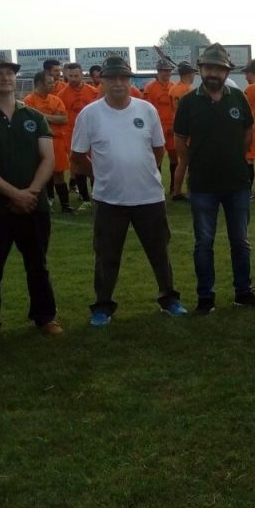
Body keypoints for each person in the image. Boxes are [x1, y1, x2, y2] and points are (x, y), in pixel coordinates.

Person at [71, 55, 187, 325]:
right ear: (102, 81)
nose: (118, 84)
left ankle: (169, 298)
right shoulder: (90, 114)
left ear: (130, 80)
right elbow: (77, 156)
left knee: (159, 252)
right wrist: (100, 175)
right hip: (109, 199)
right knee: (106, 256)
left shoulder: (146, 110)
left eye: (123, 78)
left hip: (149, 197)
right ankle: (102, 306)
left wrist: (141, 170)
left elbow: (158, 149)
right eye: (112, 78)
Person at [0, 54, 62, 343]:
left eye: (9, 72)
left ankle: (45, 316)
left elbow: (48, 159)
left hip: (33, 206)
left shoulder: (34, 116)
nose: (6, 77)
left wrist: (31, 192)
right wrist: (14, 194)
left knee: (38, 265)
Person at [173, 43, 255, 315]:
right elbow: (179, 139)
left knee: (240, 242)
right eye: (209, 68)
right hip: (203, 185)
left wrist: (233, 155)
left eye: (219, 69)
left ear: (226, 72)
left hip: (237, 183)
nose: (213, 73)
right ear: (201, 70)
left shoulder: (238, 98)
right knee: (203, 243)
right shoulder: (189, 102)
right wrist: (194, 161)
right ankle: (205, 297)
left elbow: (248, 132)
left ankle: (243, 292)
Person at [23, 71, 71, 212]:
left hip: (56, 141)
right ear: (39, 83)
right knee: (41, 173)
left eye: (53, 82)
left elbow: (64, 119)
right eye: (49, 82)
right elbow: (30, 121)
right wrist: (53, 116)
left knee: (59, 174)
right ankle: (45, 201)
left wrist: (42, 115)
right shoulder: (29, 100)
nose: (53, 85)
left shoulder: (55, 100)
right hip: (37, 143)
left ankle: (65, 205)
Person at [57, 62, 99, 210]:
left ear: (82, 74)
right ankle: (85, 198)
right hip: (73, 133)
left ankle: (96, 194)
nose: (73, 79)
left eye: (76, 75)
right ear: (66, 75)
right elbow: (62, 117)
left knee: (95, 163)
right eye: (70, 76)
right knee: (78, 165)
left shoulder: (93, 92)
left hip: (93, 132)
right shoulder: (62, 95)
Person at [144, 59, 179, 199]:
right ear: (158, 72)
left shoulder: (174, 87)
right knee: (155, 157)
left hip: (172, 127)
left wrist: (175, 125)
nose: (167, 73)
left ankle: (173, 187)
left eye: (169, 71)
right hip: (157, 127)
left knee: (174, 157)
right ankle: (156, 186)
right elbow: (147, 110)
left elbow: (178, 109)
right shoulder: (150, 88)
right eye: (164, 71)